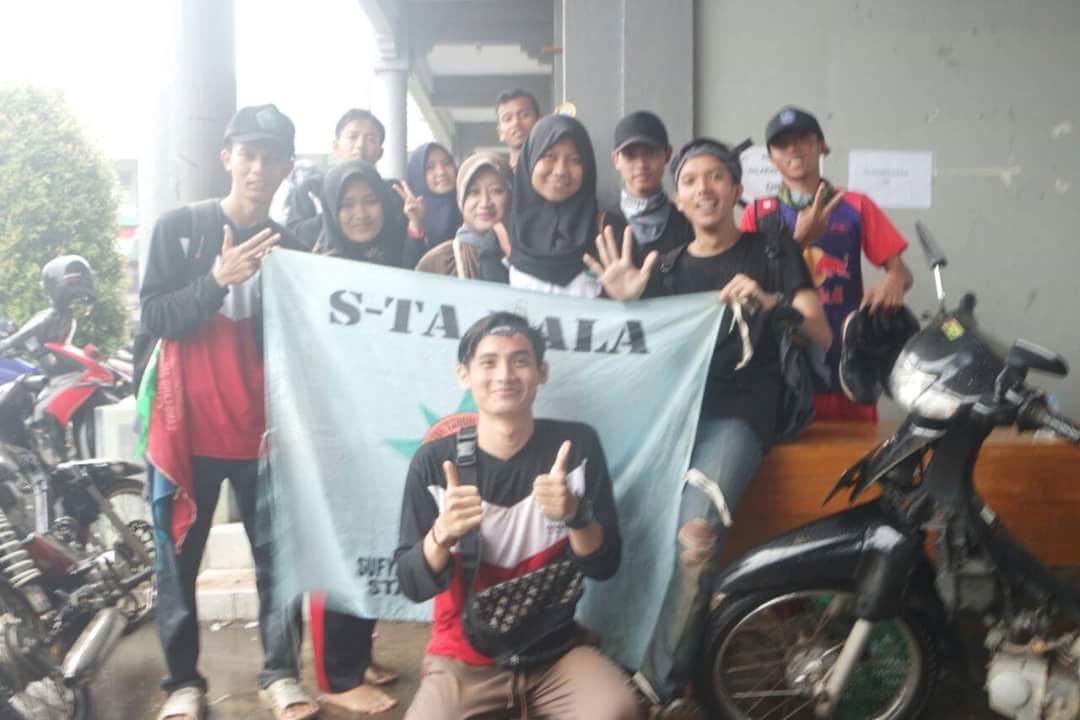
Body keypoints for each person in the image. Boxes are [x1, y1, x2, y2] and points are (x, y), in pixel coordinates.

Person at [584, 138, 832, 717]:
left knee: (696, 536)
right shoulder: (665, 267)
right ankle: (609, 654)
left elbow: (819, 331)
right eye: (691, 180)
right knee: (617, 521)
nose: (704, 189)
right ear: (677, 197)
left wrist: (769, 301)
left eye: (716, 177)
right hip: (668, 418)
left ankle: (661, 686)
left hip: (741, 413)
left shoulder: (772, 250)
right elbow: (634, 357)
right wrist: (626, 304)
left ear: (737, 189)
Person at [140, 104, 317, 720]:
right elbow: (154, 316)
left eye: (272, 158)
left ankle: (281, 673)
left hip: (264, 436)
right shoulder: (180, 230)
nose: (258, 168)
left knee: (280, 563)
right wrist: (217, 279)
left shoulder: (294, 248)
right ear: (227, 158)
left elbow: (306, 342)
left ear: (288, 168)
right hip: (185, 433)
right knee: (176, 564)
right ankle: (182, 683)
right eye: (248, 154)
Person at [395, 312, 640, 720]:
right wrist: (441, 535)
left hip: (556, 654)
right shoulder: (433, 463)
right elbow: (411, 583)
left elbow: (604, 565)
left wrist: (575, 514)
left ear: (542, 372)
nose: (505, 374)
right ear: (464, 375)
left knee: (619, 709)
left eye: (520, 361)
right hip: (463, 660)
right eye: (488, 362)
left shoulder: (577, 447)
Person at [307, 159, 406, 717]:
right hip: (337, 431)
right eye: (346, 204)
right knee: (339, 547)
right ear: (330, 210)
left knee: (372, 543)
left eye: (369, 200)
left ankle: (359, 654)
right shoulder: (319, 270)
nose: (360, 213)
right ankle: (335, 677)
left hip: (385, 427)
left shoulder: (396, 259)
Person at [741, 106, 913, 422]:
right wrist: (800, 240)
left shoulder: (855, 205)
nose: (793, 149)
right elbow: (750, 288)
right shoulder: (759, 214)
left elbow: (902, 273)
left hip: (846, 362)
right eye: (782, 144)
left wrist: (894, 280)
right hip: (784, 363)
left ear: (822, 146)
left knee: (855, 449)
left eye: (802, 139)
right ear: (771, 157)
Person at [290, 109, 406, 262]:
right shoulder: (311, 188)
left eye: (371, 139)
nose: (360, 145)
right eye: (353, 137)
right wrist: (331, 212)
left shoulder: (393, 191)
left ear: (380, 152)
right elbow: (294, 236)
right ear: (336, 147)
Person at [506, 114, 602, 297]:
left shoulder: (607, 234)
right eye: (549, 156)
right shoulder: (500, 238)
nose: (560, 171)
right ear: (530, 159)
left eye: (575, 160)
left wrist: (625, 298)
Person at [602, 111, 693, 264]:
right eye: (630, 155)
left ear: (667, 154)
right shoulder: (601, 224)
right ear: (616, 160)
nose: (641, 165)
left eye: (650, 153)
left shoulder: (688, 221)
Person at [415, 151, 512, 282]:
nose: (485, 203)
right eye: (474, 192)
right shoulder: (437, 262)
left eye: (496, 191)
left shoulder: (528, 255)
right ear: (461, 200)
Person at [400, 142, 461, 269]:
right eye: (429, 167)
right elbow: (409, 269)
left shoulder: (470, 209)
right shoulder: (405, 215)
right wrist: (416, 223)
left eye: (447, 163)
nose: (441, 172)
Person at [495, 88, 541, 169]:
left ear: (539, 122)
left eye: (524, 115)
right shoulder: (499, 175)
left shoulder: (553, 170)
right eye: (508, 119)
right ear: (500, 133)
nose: (516, 123)